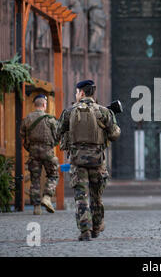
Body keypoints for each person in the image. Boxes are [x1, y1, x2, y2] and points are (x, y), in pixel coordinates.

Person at [57, 80, 120, 241]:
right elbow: (114, 135)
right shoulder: (103, 112)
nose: (76, 95)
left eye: (76, 92)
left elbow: (58, 131)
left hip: (77, 161)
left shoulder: (69, 111)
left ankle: (85, 230)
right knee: (96, 195)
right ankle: (97, 227)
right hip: (97, 161)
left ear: (82, 93)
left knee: (81, 196)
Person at [20, 94, 59, 215]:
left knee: (35, 179)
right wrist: (51, 145)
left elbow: (22, 136)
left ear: (35, 105)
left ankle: (36, 207)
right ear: (44, 104)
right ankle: (47, 197)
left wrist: (30, 148)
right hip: (47, 151)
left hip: (33, 152)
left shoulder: (27, 119)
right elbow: (57, 136)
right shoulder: (50, 119)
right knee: (53, 175)